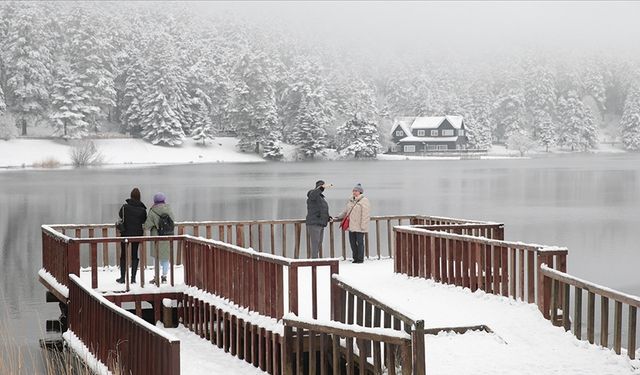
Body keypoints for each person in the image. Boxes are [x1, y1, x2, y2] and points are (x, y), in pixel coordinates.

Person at [116, 188, 147, 284]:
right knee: (134, 254)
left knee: (123, 255)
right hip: (137, 234)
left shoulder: (125, 207)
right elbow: (143, 220)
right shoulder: (142, 209)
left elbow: (121, 215)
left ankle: (122, 278)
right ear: (139, 197)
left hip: (125, 233)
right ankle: (133, 278)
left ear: (131, 196)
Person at [144, 192, 175, 284]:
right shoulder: (169, 209)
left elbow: (147, 226)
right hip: (167, 236)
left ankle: (156, 276)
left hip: (156, 237)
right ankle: (164, 276)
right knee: (166, 258)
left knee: (156, 258)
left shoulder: (153, 211)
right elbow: (172, 221)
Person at [336, 183, 370, 263]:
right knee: (352, 243)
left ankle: (360, 259)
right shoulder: (351, 200)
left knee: (360, 243)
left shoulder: (364, 201)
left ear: (360, 192)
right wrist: (338, 216)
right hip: (351, 226)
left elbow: (365, 214)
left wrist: (363, 226)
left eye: (356, 191)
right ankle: (355, 258)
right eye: (353, 191)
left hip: (360, 226)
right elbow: (346, 211)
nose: (354, 192)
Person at [306, 180, 332, 258]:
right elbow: (313, 194)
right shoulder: (312, 194)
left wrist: (328, 217)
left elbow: (322, 209)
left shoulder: (321, 198)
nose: (323, 188)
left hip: (321, 223)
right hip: (314, 223)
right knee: (315, 244)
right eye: (321, 187)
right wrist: (320, 188)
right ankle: (314, 261)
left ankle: (315, 260)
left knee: (319, 243)